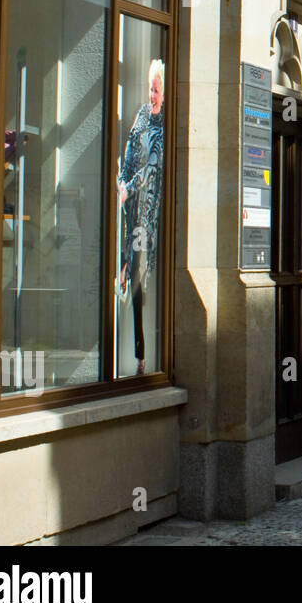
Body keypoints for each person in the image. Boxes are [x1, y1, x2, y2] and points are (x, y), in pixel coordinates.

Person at [117, 59, 164, 375]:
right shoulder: (143, 117)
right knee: (131, 279)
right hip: (130, 213)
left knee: (141, 283)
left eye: (157, 89)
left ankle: (144, 355)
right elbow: (129, 152)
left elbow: (151, 168)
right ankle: (137, 354)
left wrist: (128, 187)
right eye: (150, 88)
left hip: (149, 216)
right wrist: (122, 180)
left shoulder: (163, 127)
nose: (152, 95)